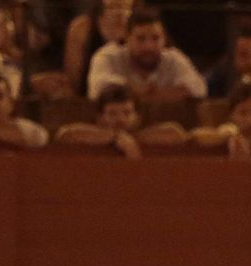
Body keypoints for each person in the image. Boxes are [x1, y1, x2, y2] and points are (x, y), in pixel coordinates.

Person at [86, 7, 206, 102]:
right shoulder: (108, 56)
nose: (149, 46)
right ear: (127, 38)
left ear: (164, 39)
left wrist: (152, 95)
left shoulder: (173, 58)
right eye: (140, 39)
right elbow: (98, 87)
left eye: (155, 38)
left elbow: (199, 87)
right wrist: (132, 88)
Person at [53, 83, 187, 155]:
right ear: (100, 118)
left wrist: (130, 139)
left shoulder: (145, 134)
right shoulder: (92, 134)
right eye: (112, 113)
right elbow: (65, 135)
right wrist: (115, 137)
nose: (120, 119)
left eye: (127, 113)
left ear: (138, 117)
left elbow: (176, 133)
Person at [62, 0, 133, 98]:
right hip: (89, 98)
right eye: (113, 7)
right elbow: (73, 80)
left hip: (131, 100)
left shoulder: (141, 27)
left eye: (124, 7)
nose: (119, 11)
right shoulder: (82, 28)